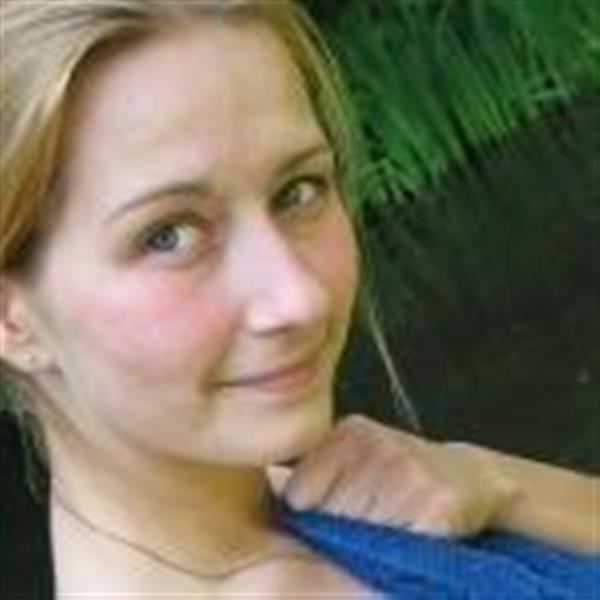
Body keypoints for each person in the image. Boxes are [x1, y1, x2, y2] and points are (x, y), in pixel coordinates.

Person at [0, 0, 596, 598]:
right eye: (169, 236)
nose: (298, 299)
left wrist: (501, 487)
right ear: (12, 320)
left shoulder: (364, 500)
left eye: (297, 191)